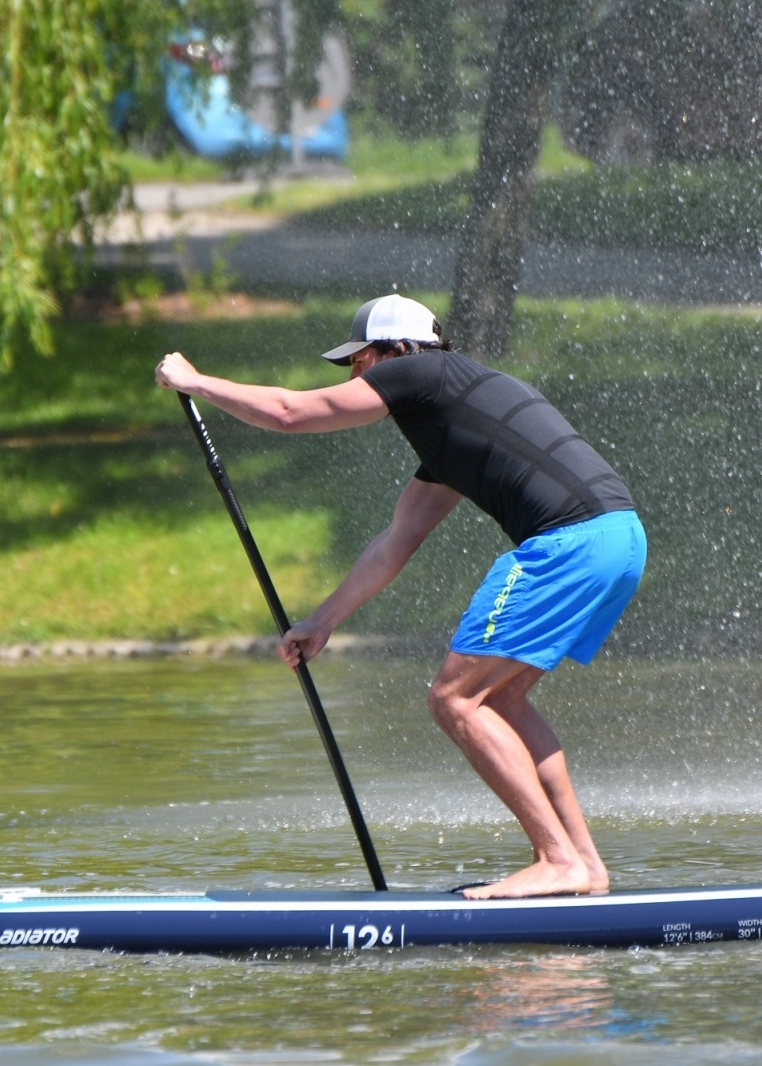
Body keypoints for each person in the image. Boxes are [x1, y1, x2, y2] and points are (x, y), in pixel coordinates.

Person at [154, 294, 646, 899]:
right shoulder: (458, 413)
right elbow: (396, 541)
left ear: (398, 351)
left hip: (570, 542)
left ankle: (557, 859)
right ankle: (586, 867)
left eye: (361, 362)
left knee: (455, 699)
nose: (357, 379)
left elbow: (289, 412)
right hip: (621, 537)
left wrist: (195, 382)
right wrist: (323, 621)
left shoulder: (422, 370)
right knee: (502, 700)